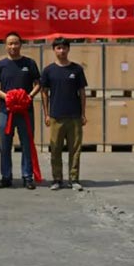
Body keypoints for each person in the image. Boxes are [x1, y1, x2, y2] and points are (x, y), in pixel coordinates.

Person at [0, 32, 41, 190]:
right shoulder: (1, 65)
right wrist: (6, 96)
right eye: (10, 43)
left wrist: (29, 96)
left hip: (25, 111)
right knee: (5, 144)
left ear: (20, 44)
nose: (13, 46)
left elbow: (38, 84)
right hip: (6, 111)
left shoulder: (29, 63)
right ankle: (6, 176)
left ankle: (27, 176)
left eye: (16, 43)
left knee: (26, 144)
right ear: (5, 46)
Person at [40, 37, 88, 191]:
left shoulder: (77, 70)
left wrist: (83, 114)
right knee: (55, 149)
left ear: (68, 49)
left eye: (64, 48)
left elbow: (82, 92)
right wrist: (47, 114)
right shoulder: (48, 70)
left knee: (75, 149)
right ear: (54, 50)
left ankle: (74, 179)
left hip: (74, 116)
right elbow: (44, 93)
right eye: (58, 48)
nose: (61, 51)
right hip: (56, 116)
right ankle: (57, 179)